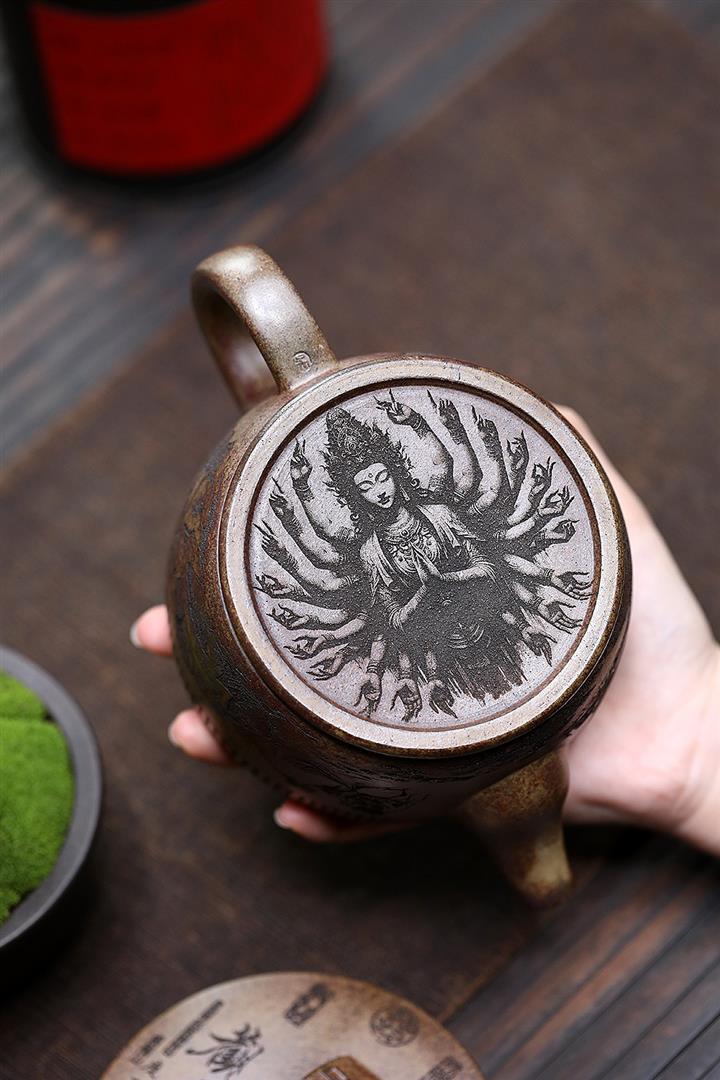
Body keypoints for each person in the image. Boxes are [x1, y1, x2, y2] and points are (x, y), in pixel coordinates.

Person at [131, 408, 720, 856]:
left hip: (487, 629)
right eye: (366, 488)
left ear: (394, 471)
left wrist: (697, 735)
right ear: (356, 497)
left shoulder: (438, 515)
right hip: (441, 660)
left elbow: (487, 569)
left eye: (382, 477)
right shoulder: (370, 552)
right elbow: (392, 619)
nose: (379, 490)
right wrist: (419, 597)